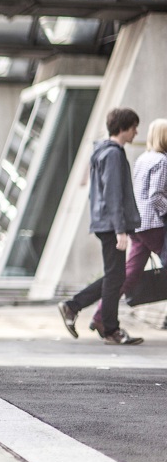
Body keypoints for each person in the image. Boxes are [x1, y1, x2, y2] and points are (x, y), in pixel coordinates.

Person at [57, 107, 144, 345]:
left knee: (114, 276)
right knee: (116, 277)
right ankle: (109, 328)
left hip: (104, 221)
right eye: (134, 127)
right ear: (124, 128)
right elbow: (113, 194)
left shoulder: (102, 151)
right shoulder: (113, 154)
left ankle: (76, 308)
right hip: (111, 224)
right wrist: (120, 229)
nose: (136, 132)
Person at [86, 117, 167, 331]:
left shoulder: (144, 158)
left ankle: (100, 316)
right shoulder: (162, 161)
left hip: (138, 225)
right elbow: (155, 196)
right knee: (126, 272)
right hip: (154, 224)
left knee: (128, 274)